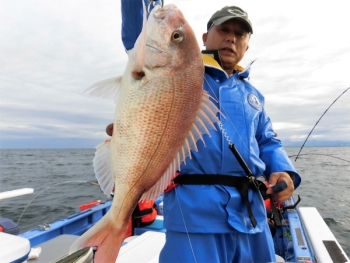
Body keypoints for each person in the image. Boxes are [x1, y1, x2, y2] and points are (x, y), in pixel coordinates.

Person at [117, 1, 301, 262]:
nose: (231, 38)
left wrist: (283, 170)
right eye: (224, 29)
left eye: (240, 34)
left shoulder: (254, 96)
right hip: (194, 215)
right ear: (205, 37)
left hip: (253, 218)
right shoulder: (180, 70)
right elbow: (142, 37)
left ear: (246, 46)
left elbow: (267, 141)